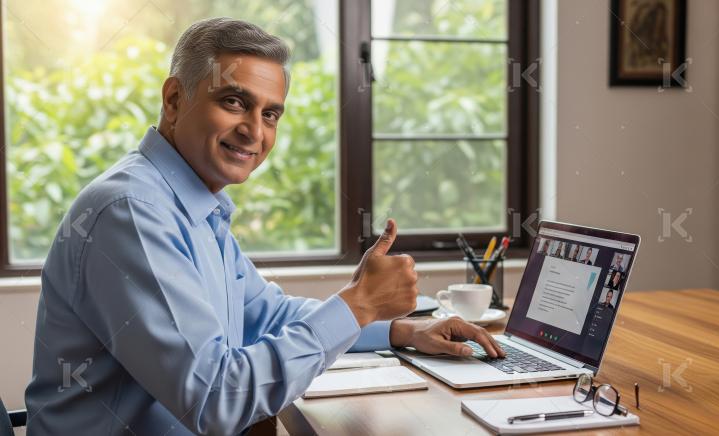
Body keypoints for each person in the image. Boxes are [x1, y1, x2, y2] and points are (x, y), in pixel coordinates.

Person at [24, 18, 504, 435]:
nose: (255, 131)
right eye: (234, 102)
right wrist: (357, 305)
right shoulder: (132, 211)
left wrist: (399, 330)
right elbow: (215, 401)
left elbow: (264, 316)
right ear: (174, 99)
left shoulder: (193, 204)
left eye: (270, 113)